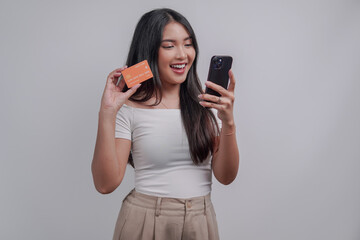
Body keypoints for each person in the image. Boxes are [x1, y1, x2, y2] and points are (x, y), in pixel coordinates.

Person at [91, 8, 239, 240]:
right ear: (149, 52)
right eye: (169, 46)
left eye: (188, 44)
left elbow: (226, 177)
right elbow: (105, 184)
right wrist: (107, 112)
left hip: (200, 220)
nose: (182, 55)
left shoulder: (206, 104)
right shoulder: (128, 108)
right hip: (144, 220)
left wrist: (228, 123)